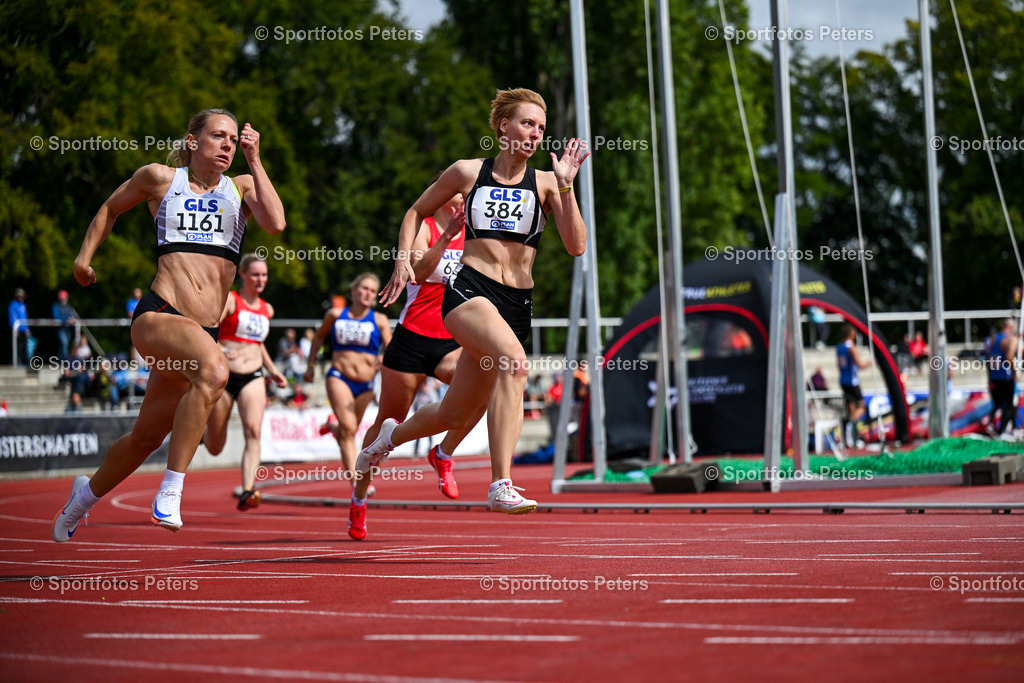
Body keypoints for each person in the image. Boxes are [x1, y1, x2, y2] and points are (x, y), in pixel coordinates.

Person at [51, 108, 285, 543]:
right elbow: (110, 208)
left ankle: (81, 498)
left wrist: (256, 159)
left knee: (145, 438)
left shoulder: (243, 186)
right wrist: (84, 258)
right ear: (193, 141)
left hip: (202, 332)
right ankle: (171, 491)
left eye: (234, 139)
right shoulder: (161, 179)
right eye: (218, 136)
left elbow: (276, 223)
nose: (228, 145)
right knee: (216, 370)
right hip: (160, 315)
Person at [357, 87, 590, 515]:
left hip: (517, 304)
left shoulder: (545, 184)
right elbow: (415, 211)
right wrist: (402, 261)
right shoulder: (467, 173)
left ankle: (383, 441)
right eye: (527, 123)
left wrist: (568, 186)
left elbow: (576, 246)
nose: (536, 134)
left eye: (541, 127)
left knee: (453, 414)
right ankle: (500, 483)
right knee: (516, 363)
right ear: (503, 127)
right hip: (469, 292)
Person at [346, 195, 486, 540]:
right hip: (411, 339)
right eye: (455, 194)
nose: (461, 202)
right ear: (441, 198)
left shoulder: (473, 234)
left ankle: (444, 452)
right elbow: (419, 273)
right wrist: (446, 234)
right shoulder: (423, 227)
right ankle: (359, 496)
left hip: (451, 339)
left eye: (466, 197)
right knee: (386, 423)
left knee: (487, 382)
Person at [202, 253, 287, 509]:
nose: (260, 279)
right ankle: (201, 433)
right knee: (215, 447)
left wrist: (272, 370)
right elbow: (205, 331)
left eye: (264, 275)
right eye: (255, 274)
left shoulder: (267, 308)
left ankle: (248, 490)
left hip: (253, 376)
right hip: (224, 376)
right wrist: (224, 351)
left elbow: (258, 344)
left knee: (254, 431)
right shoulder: (230, 300)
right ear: (243, 275)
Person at [304, 273, 392, 492]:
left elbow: (392, 348)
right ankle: (355, 480)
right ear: (353, 291)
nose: (367, 293)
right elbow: (318, 337)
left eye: (372, 290)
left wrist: (385, 357)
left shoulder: (379, 320)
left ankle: (332, 427)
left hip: (366, 384)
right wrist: (311, 366)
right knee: (350, 429)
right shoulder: (336, 314)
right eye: (363, 288)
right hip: (339, 376)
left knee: (347, 431)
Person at [836, 324, 871, 448]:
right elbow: (860, 365)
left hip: (843, 381)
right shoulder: (851, 348)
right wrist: (870, 362)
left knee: (850, 408)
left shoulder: (839, 347)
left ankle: (850, 439)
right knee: (861, 407)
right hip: (852, 382)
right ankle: (850, 428)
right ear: (851, 334)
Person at [987, 318, 1019, 436]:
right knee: (1009, 405)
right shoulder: (1011, 339)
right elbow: (1009, 357)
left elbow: (989, 356)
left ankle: (995, 426)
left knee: (998, 404)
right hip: (1005, 377)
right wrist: (1015, 373)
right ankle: (1003, 431)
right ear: (1012, 328)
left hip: (994, 376)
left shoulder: (994, 339)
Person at [8, 288, 32, 367]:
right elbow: (12, 317)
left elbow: (25, 317)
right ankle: (14, 362)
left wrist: (27, 329)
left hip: (23, 329)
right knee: (16, 347)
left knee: (25, 346)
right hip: (17, 329)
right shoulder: (13, 305)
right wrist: (15, 329)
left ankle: (25, 362)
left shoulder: (23, 305)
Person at [52, 290, 76, 361]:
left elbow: (71, 315)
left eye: (64, 298)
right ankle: (65, 361)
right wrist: (66, 320)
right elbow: (56, 317)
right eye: (61, 298)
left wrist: (71, 319)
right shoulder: (56, 306)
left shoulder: (68, 306)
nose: (62, 300)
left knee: (64, 345)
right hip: (60, 329)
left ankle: (61, 360)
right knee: (64, 343)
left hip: (67, 328)